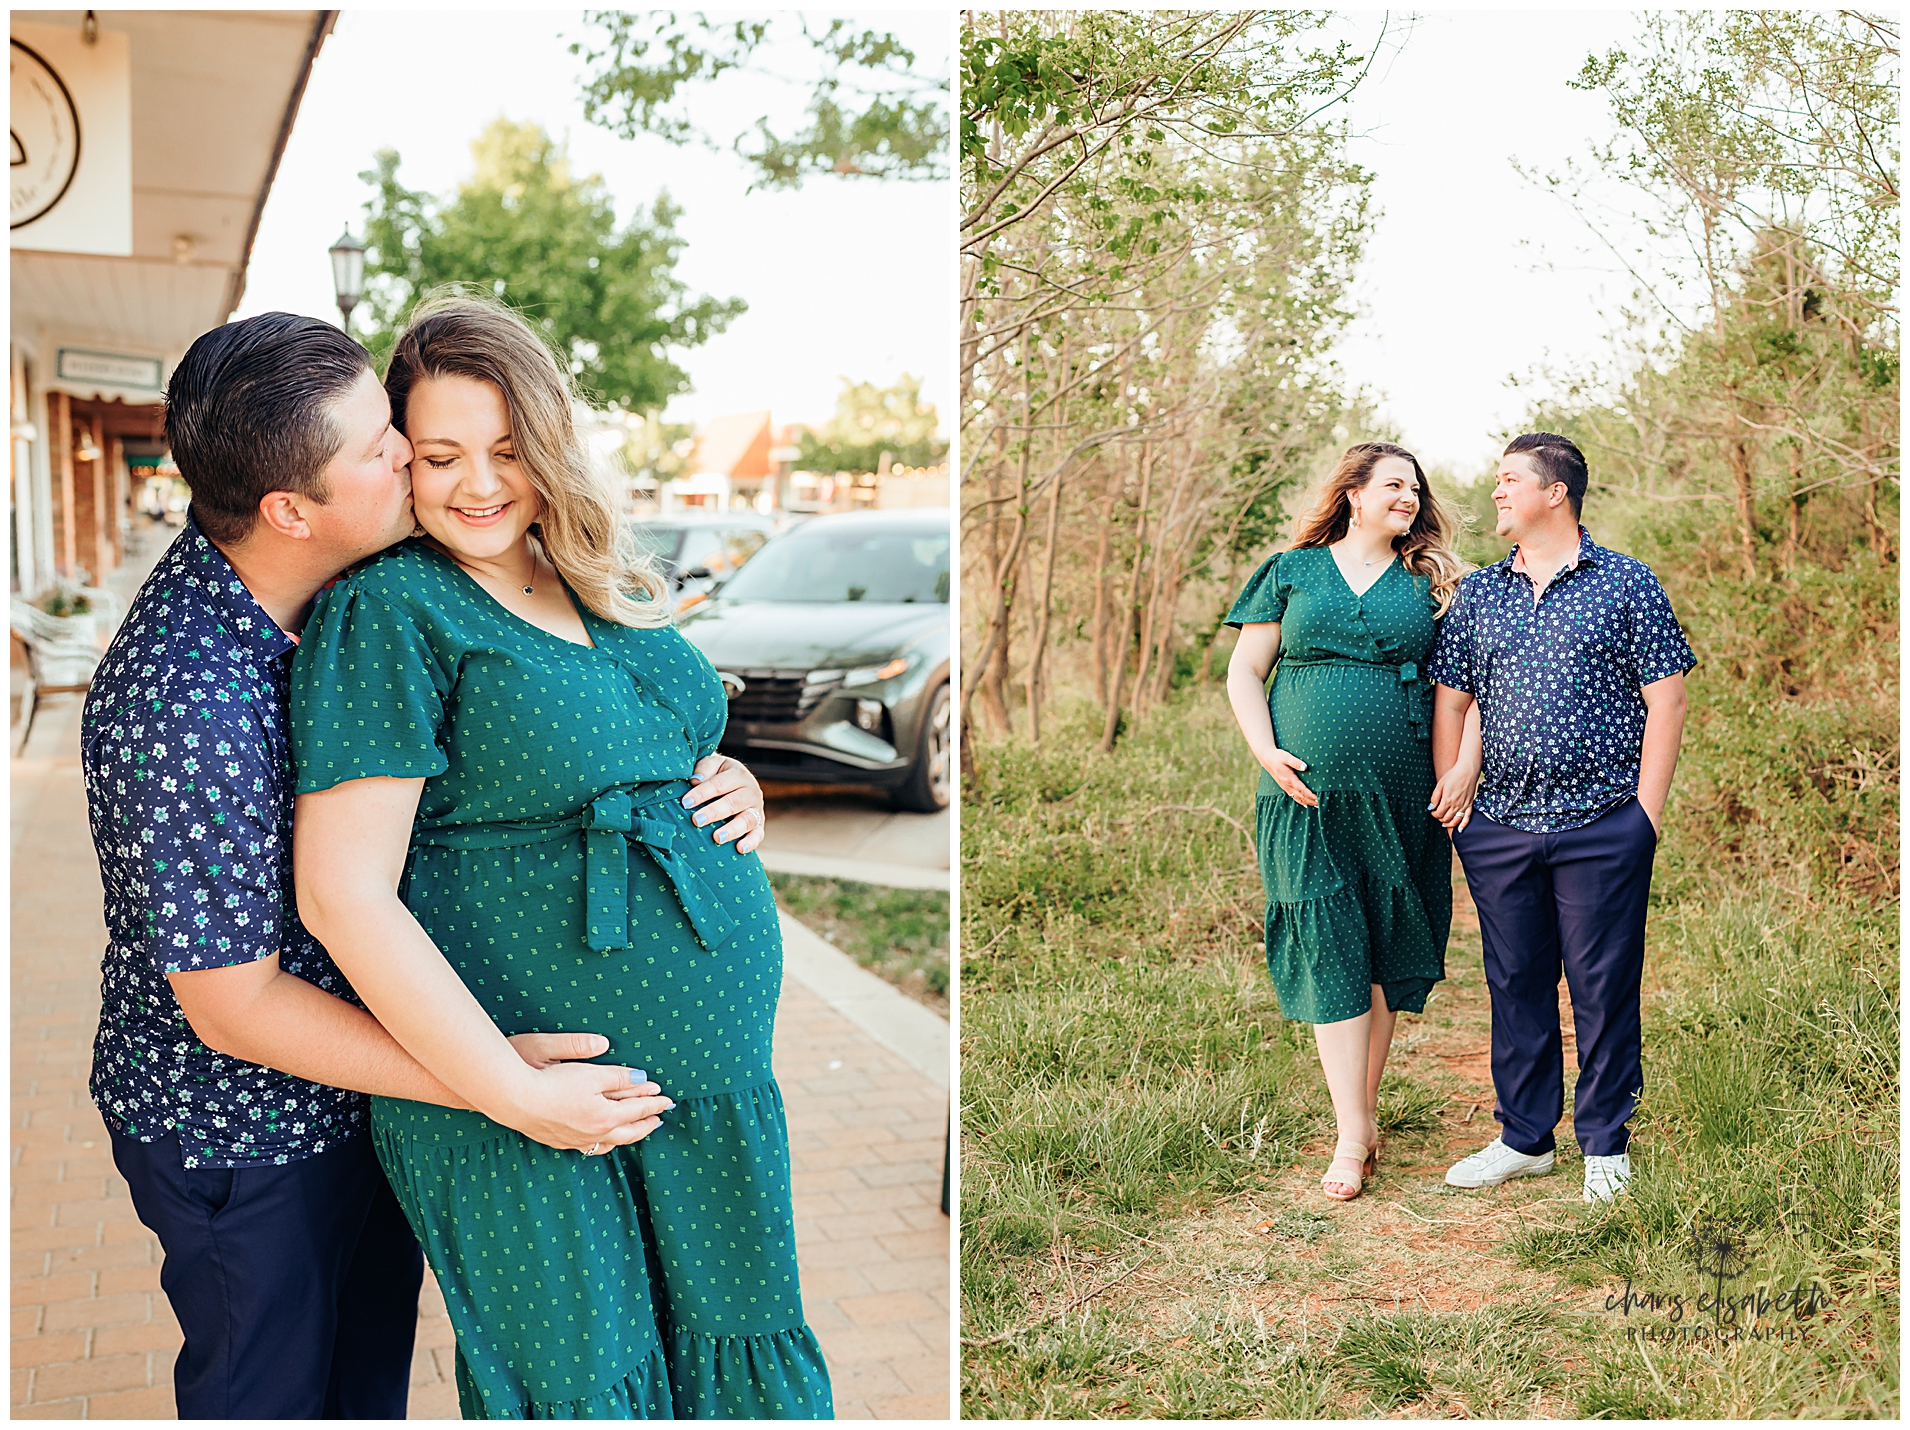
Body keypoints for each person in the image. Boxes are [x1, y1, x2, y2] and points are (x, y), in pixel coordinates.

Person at [79, 312, 765, 1418]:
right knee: (270, 1398)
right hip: (247, 1136)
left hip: (369, 1092)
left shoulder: (336, 585)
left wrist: (710, 783)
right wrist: (500, 1083)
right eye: (391, 448)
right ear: (290, 509)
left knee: (362, 1395)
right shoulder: (184, 704)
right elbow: (232, 1005)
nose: (411, 457)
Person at [289, 292, 833, 1420]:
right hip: (527, 1091)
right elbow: (343, 894)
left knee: (723, 1360)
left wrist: (724, 781)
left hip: (715, 1078)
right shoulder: (392, 610)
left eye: (506, 449)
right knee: (586, 1384)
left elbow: (652, 740)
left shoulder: (591, 571)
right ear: (400, 460)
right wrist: (510, 1091)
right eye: (439, 455)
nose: (478, 484)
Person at [1430, 432, 1694, 1203]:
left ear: (1556, 493)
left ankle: (1605, 1142)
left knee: (1601, 983)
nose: (1497, 493)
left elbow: (1667, 699)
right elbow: (1455, 697)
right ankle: (1524, 1136)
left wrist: (1644, 815)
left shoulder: (1627, 583)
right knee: (1514, 979)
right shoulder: (1480, 593)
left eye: (1509, 480)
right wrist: (1460, 799)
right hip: (1499, 826)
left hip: (1603, 822)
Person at [1225, 442, 1478, 1202]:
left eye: (1415, 489)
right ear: (1353, 494)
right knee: (1329, 941)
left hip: (1404, 792)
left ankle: (1358, 1123)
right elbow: (1246, 669)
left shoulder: (1432, 581)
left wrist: (1463, 764)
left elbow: (1468, 688)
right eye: (1394, 485)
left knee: (1380, 946)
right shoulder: (1292, 570)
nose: (1409, 497)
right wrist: (1265, 749)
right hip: (1303, 794)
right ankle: (1351, 1134)